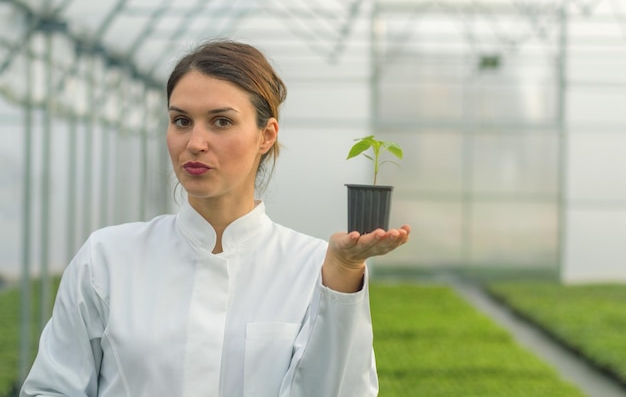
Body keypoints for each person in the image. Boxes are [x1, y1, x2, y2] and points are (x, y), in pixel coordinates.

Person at [20, 40, 410, 397]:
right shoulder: (107, 257)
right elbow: (52, 388)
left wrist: (343, 272)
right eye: (181, 120)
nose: (195, 142)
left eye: (221, 121)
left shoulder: (313, 266)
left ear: (266, 135)